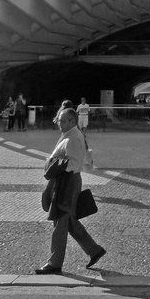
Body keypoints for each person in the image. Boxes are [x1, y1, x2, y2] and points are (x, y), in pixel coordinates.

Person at [35, 106, 106, 275]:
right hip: (66, 181)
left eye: (61, 121)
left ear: (72, 121)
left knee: (60, 220)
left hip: (67, 182)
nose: (58, 123)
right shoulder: (69, 135)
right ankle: (94, 250)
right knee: (69, 221)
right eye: (58, 120)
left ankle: (54, 263)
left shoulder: (73, 138)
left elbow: (73, 164)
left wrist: (54, 164)